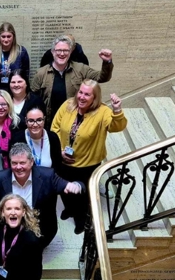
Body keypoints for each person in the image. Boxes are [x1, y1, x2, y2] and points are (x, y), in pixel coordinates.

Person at [51, 79, 127, 234]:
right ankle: (69, 210)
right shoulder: (68, 105)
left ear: (95, 97)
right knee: (64, 190)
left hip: (87, 164)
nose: (82, 97)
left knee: (82, 196)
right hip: (63, 160)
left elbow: (117, 127)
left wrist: (117, 110)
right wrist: (59, 151)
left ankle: (81, 220)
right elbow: (55, 127)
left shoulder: (103, 112)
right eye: (80, 92)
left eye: (87, 94)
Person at [0, 143, 83, 246]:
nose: (18, 167)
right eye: (14, 163)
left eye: (22, 163)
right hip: (10, 228)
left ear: (31, 162)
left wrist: (76, 185)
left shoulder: (47, 176)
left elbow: (71, 185)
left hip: (40, 230)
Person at [31, 35, 114, 128]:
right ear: (52, 51)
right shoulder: (41, 73)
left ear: (70, 52)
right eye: (58, 50)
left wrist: (107, 62)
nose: (62, 54)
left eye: (66, 50)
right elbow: (32, 99)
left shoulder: (81, 69)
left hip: (74, 122)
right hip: (48, 123)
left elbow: (102, 77)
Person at [0, 194, 43, 280]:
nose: (13, 212)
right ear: (3, 212)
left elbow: (36, 271)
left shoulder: (31, 240)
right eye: (8, 209)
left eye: (17, 209)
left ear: (23, 212)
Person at [0, 22, 30, 95]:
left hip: (16, 93)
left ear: (13, 37)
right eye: (3, 36)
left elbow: (26, 74)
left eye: (9, 36)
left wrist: (23, 93)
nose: (6, 39)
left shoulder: (21, 52)